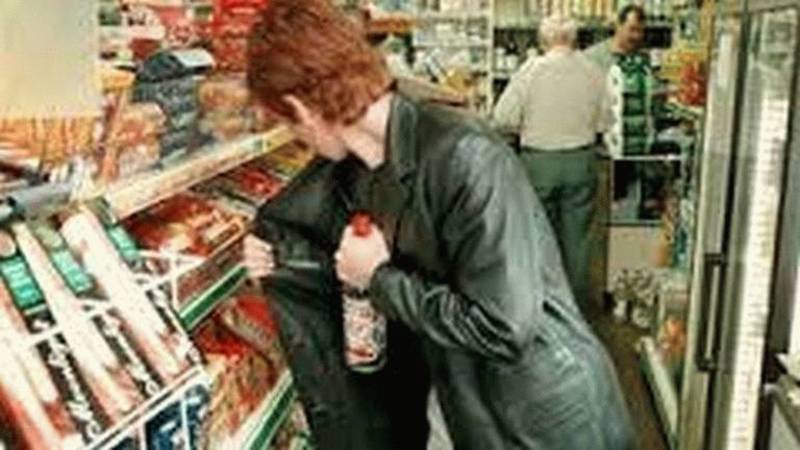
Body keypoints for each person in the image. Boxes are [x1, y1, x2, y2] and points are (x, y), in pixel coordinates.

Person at [244, 1, 635, 449]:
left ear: (302, 107)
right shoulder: (364, 165)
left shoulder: (465, 155)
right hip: (469, 401)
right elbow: (320, 234)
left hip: (544, 418)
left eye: (286, 121)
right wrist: (275, 251)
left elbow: (503, 325)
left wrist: (378, 278)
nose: (295, 137)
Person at [493, 15, 610, 311]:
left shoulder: (531, 70)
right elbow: (606, 120)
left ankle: (542, 309)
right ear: (575, 39)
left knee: (538, 239)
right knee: (578, 243)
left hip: (539, 164)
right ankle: (575, 311)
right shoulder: (593, 71)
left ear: (543, 41)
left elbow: (503, 117)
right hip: (581, 161)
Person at [584, 4, 647, 72]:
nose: (636, 36)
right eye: (632, 29)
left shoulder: (642, 59)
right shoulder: (593, 57)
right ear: (618, 26)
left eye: (640, 31)